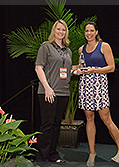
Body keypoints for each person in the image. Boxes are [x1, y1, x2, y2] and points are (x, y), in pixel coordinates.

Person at [78, 22, 119, 166]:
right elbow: (81, 67)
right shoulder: (81, 49)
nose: (89, 33)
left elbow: (111, 67)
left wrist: (94, 70)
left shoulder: (104, 46)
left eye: (91, 30)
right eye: (87, 31)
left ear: (96, 31)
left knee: (106, 119)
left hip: (100, 85)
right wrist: (71, 69)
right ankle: (92, 153)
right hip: (85, 85)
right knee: (89, 118)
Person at [34, 20, 72, 166]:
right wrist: (47, 87)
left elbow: (65, 70)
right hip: (48, 92)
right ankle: (41, 158)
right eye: (58, 29)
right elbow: (38, 68)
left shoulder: (67, 51)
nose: (61, 32)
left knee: (56, 125)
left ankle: (52, 154)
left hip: (63, 92)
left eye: (63, 30)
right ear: (54, 31)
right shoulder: (46, 47)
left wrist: (75, 71)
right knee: (47, 125)